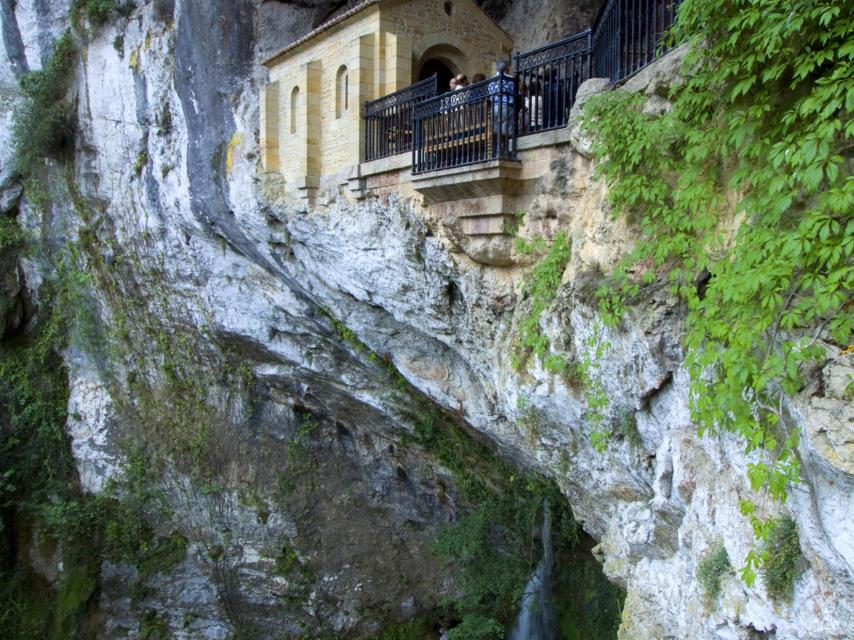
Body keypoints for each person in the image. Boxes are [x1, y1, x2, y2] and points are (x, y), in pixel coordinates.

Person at [487, 59, 516, 157]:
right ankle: (505, 152)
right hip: (505, 106)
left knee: (496, 130)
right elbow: (516, 93)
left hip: (494, 107)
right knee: (507, 130)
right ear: (507, 68)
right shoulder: (511, 80)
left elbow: (490, 95)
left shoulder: (491, 81)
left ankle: (495, 152)